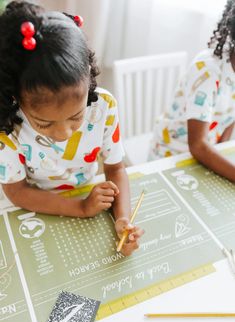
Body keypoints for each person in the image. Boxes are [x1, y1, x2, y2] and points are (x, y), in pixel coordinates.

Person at [0, 1, 144, 256]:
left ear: (88, 77)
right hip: (32, 208)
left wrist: (122, 218)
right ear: (16, 97)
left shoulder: (103, 106)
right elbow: (17, 192)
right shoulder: (8, 126)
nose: (63, 133)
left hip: (84, 193)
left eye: (76, 117)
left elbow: (115, 167)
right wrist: (80, 208)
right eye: (44, 123)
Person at [149, 0, 235, 182]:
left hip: (206, 156)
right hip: (171, 155)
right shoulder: (208, 70)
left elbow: (229, 120)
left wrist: (221, 150)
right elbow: (197, 145)